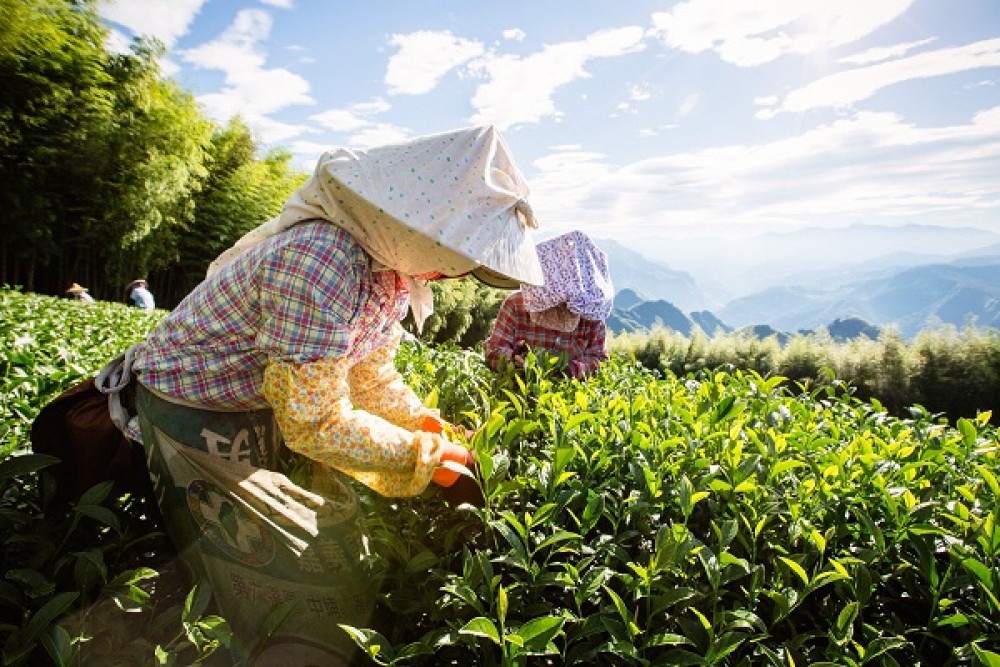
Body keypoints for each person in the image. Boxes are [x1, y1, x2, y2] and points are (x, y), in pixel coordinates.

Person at [120, 126, 543, 665]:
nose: (451, 272)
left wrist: (423, 423)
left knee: (302, 545)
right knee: (255, 566)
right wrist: (431, 460)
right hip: (193, 406)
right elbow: (315, 422)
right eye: (455, 254)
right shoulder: (321, 261)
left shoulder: (388, 275)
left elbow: (370, 376)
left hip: (257, 404)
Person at [484, 230, 613, 379]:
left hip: (567, 392)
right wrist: (513, 359)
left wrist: (573, 369)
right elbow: (493, 349)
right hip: (516, 388)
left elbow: (600, 360)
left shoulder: (591, 312)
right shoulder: (515, 305)